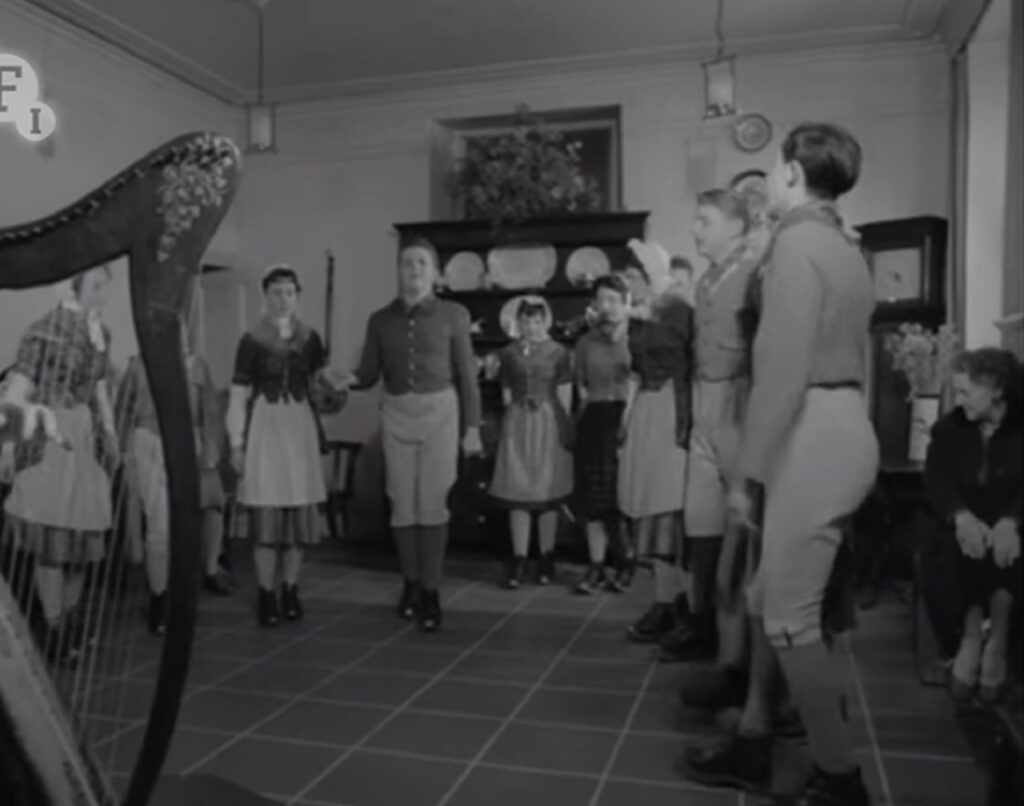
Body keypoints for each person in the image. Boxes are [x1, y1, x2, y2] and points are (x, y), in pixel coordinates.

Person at [718, 123, 879, 805]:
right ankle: (762, 743)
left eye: (774, 170)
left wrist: (748, 475)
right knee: (769, 599)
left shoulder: (795, 247)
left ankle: (841, 779)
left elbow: (779, 369)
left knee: (790, 619)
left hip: (808, 430)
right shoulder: (843, 244)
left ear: (790, 173)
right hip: (840, 423)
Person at [346, 238, 483, 632]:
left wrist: (472, 429)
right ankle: (410, 584)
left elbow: (468, 377)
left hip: (441, 412)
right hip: (397, 413)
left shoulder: (454, 315)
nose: (415, 270)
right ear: (399, 270)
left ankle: (432, 591)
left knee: (433, 503)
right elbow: (369, 373)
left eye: (422, 263)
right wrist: (345, 379)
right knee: (402, 503)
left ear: (435, 272)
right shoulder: (380, 320)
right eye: (407, 263)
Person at [1, 265, 120, 665]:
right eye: (98, 285)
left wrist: (111, 432)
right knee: (51, 541)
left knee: (81, 537)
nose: (105, 293)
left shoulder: (100, 333)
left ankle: (69, 617)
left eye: (106, 286)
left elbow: (100, 390)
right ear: (77, 285)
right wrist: (6, 446)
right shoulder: (43, 329)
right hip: (49, 435)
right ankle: (53, 624)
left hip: (84, 437)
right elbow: (19, 389)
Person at [227, 265, 337, 628]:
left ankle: (290, 588)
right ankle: (266, 592)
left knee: (296, 515)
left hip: (299, 428)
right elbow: (239, 395)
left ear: (297, 295)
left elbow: (324, 385)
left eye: (289, 292)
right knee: (267, 512)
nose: (283, 299)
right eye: (276, 292)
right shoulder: (252, 340)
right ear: (266, 297)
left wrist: (333, 389)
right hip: (265, 427)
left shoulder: (310, 339)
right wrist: (237, 443)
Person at [119, 313, 232, 636]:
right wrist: (127, 450)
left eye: (179, 331)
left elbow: (210, 412)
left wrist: (210, 450)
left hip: (190, 447)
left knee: (196, 520)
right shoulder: (137, 366)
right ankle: (159, 598)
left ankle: (191, 588)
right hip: (150, 445)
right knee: (159, 528)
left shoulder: (198, 366)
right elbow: (124, 411)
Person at [921, 348, 1021, 704]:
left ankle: (1000, 634)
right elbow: (937, 481)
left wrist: (1012, 521)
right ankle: (970, 633)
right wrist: (961, 516)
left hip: (1011, 520)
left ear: (995, 388)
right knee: (945, 552)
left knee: (1011, 553)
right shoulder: (950, 428)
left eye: (965, 391)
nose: (958, 400)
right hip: (965, 521)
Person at [618, 248, 694, 641]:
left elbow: (691, 364)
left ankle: (682, 605)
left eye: (633, 276)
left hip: (672, 408)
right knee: (651, 505)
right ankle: (666, 600)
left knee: (670, 506)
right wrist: (627, 417)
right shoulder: (640, 316)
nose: (628, 284)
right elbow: (634, 371)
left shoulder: (678, 309)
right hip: (648, 408)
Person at [489, 297, 573, 588]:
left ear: (545, 321)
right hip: (518, 423)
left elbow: (565, 394)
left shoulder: (559, 352)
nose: (531, 327)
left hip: (548, 424)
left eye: (537, 321)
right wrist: (511, 420)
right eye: (526, 320)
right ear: (519, 322)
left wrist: (565, 430)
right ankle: (520, 558)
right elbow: (506, 391)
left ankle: (547, 557)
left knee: (546, 490)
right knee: (518, 489)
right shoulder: (508, 353)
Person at [572, 273, 632, 594]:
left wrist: (629, 423)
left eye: (613, 300)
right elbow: (580, 385)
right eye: (601, 300)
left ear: (625, 304)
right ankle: (596, 565)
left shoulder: (634, 338)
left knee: (618, 498)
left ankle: (624, 562)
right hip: (593, 418)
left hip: (624, 417)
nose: (606, 307)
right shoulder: (585, 342)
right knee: (591, 500)